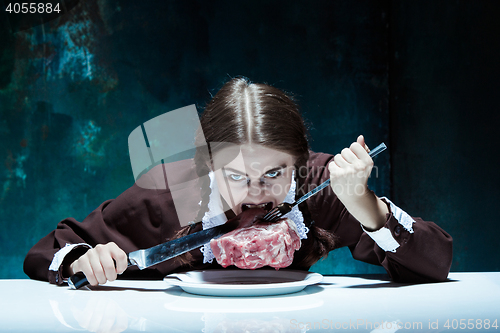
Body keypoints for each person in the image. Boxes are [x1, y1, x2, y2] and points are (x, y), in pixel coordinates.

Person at [23, 77, 453, 286]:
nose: (255, 192)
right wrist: (82, 258)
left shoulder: (319, 187)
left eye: (273, 173)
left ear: (299, 162)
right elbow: (50, 248)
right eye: (235, 176)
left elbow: (435, 265)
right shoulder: (167, 192)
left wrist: (361, 201)